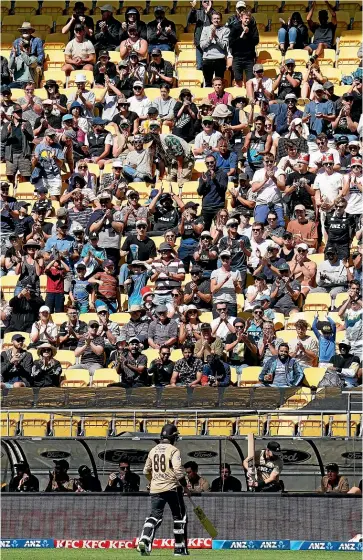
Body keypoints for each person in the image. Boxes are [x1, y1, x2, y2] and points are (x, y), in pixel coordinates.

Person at [137, 424, 188, 556]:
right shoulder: (173, 450)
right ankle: (179, 549)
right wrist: (185, 487)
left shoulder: (153, 450)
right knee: (178, 517)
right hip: (171, 488)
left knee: (155, 516)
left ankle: (145, 538)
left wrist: (152, 480)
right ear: (173, 437)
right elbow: (178, 471)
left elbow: (145, 471)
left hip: (155, 489)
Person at [87, 191, 123, 269]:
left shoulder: (117, 213)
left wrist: (110, 219)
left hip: (112, 248)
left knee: (111, 270)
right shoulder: (98, 214)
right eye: (102, 201)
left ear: (110, 201)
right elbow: (92, 229)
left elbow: (120, 228)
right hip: (100, 248)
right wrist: (103, 218)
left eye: (106, 201)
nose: (104, 203)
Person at [2, 104, 33, 184]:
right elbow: (2, 139)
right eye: (17, 112)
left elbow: (31, 138)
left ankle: (25, 193)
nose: (19, 113)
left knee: (27, 177)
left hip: (24, 154)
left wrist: (25, 131)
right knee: (10, 177)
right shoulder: (7, 125)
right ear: (13, 113)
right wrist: (8, 132)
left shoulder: (26, 124)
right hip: (11, 155)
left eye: (20, 112)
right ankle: (10, 194)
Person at [228, 7, 259, 87]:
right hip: (237, 57)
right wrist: (241, 35)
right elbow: (231, 43)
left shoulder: (253, 27)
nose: (247, 20)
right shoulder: (235, 28)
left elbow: (256, 41)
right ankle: (239, 96)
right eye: (245, 18)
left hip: (249, 58)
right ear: (241, 18)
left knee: (250, 80)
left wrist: (248, 34)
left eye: (248, 19)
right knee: (238, 79)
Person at [31, 129, 65, 201]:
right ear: (46, 137)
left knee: (54, 198)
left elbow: (60, 164)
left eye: (53, 136)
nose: (52, 137)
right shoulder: (39, 147)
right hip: (41, 176)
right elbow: (34, 164)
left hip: (54, 176)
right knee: (40, 198)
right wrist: (35, 159)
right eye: (50, 136)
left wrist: (55, 158)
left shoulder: (58, 147)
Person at [197, 154, 228, 231]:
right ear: (205, 164)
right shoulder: (204, 175)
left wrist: (214, 180)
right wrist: (204, 183)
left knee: (219, 230)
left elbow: (223, 189)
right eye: (207, 163)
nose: (210, 164)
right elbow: (199, 192)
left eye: (211, 162)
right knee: (204, 231)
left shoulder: (222, 174)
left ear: (215, 162)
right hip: (206, 208)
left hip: (218, 207)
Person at [150, 243, 185, 308]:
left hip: (173, 294)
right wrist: (157, 273)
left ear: (170, 251)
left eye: (166, 250)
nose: (163, 252)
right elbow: (152, 279)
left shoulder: (178, 261)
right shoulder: (155, 262)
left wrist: (169, 274)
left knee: (174, 313)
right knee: (158, 313)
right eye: (161, 250)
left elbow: (182, 277)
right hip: (159, 294)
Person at [200, 12, 229, 87]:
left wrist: (215, 37)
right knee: (208, 83)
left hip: (220, 59)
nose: (216, 20)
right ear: (211, 20)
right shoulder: (206, 29)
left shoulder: (225, 30)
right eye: (214, 18)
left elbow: (224, 46)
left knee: (219, 83)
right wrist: (210, 39)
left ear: (221, 20)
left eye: (218, 18)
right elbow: (202, 45)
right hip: (207, 59)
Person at [187, 0, 216, 70]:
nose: (206, 3)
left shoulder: (214, 12)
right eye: (204, 1)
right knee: (199, 66)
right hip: (199, 42)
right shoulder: (198, 11)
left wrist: (208, 11)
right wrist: (193, 9)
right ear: (202, 3)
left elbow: (215, 22)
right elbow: (190, 20)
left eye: (208, 1)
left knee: (209, 67)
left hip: (210, 43)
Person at [342, 156, 362, 230]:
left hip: (360, 210)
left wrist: (356, 183)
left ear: (361, 167)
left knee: (359, 235)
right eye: (354, 166)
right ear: (351, 167)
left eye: (358, 166)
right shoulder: (346, 177)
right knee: (348, 234)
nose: (356, 168)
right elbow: (344, 193)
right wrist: (349, 181)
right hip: (349, 209)